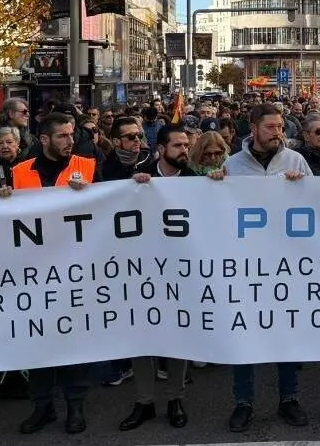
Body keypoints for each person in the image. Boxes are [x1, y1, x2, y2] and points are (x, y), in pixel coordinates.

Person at [211, 103, 312, 432]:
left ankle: (289, 398)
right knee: (245, 333)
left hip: (285, 263)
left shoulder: (296, 161)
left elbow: (317, 206)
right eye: (270, 127)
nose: (277, 132)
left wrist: (302, 188)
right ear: (253, 128)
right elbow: (218, 209)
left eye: (280, 126)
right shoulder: (233, 165)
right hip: (246, 265)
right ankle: (243, 402)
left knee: (285, 333)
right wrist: (214, 184)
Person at [4, 112, 99, 435]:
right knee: (39, 343)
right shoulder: (18, 172)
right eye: (62, 136)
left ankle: (75, 406)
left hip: (76, 271)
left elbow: (115, 201)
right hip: (35, 272)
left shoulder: (87, 167)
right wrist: (0, 199)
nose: (70, 141)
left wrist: (91, 194)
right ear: (44, 139)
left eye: (71, 135)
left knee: (74, 343)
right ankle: (42, 406)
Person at [118, 125, 196, 431]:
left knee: (178, 337)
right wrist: (132, 189)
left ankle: (175, 398)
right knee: (143, 339)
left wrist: (218, 184)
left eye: (187, 145)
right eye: (177, 145)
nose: (184, 151)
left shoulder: (196, 182)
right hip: (144, 272)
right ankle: (144, 402)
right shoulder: (140, 179)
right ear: (161, 149)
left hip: (181, 272)